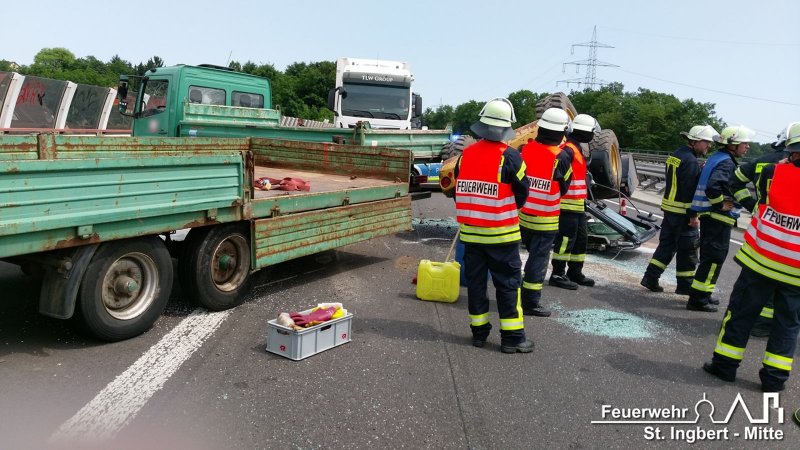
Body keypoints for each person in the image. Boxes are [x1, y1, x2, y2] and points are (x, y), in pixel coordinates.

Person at [702, 122, 800, 393]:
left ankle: (725, 366)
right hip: (797, 271)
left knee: (741, 314)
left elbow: (736, 180)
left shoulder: (771, 172)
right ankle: (774, 380)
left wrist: (753, 204)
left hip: (761, 259)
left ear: (791, 149)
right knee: (787, 325)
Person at [453, 97, 533, 354]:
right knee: (508, 286)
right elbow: (523, 193)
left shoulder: (464, 156)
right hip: (502, 237)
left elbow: (458, 191)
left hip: (471, 236)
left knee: (476, 284)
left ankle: (479, 333)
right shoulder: (511, 158)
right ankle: (512, 339)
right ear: (506, 128)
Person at [729, 123, 798, 336]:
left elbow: (735, 181)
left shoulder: (763, 162)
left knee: (757, 282)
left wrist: (751, 205)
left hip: (766, 230)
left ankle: (753, 325)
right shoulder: (781, 167)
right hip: (794, 241)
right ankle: (765, 324)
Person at [640, 125, 719, 294]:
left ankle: (650, 278)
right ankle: (685, 286)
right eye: (706, 143)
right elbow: (689, 190)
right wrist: (693, 215)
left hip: (670, 210)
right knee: (688, 250)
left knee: (666, 247)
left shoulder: (676, 155)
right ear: (696, 141)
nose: (708, 147)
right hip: (683, 213)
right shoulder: (690, 160)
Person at [686, 125, 753, 312]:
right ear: (733, 145)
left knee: (710, 257)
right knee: (714, 258)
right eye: (744, 144)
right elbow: (713, 187)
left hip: (710, 217)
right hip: (717, 217)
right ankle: (698, 299)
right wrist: (720, 204)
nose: (747, 147)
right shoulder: (727, 163)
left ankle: (703, 294)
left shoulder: (717, 157)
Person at [518, 108, 573, 317]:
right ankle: (530, 302)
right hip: (546, 219)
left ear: (539, 128)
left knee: (521, 257)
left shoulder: (525, 150)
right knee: (537, 261)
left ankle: (515, 292)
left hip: (523, 215)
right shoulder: (561, 157)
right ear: (561, 132)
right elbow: (565, 187)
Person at [549, 114, 599, 290]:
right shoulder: (568, 150)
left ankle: (575, 272)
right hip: (566, 205)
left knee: (580, 240)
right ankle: (557, 274)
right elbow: (559, 178)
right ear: (584, 132)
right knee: (565, 240)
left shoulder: (576, 148)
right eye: (592, 132)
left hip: (577, 205)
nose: (593, 136)